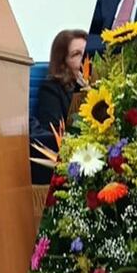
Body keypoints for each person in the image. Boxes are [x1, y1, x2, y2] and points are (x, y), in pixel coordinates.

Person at [31, 29, 88, 184]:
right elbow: (55, 133)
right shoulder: (51, 88)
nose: (84, 60)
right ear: (63, 62)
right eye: (77, 54)